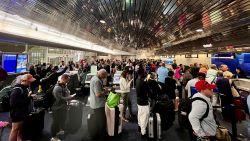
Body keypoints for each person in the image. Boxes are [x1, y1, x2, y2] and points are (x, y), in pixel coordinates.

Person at [9, 74, 36, 141]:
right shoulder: (17, 90)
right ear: (24, 81)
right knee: (15, 130)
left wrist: (30, 97)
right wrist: (28, 97)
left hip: (22, 112)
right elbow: (13, 103)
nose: (30, 83)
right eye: (29, 81)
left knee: (20, 130)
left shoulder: (25, 88)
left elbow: (23, 99)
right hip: (17, 114)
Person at [51, 74, 74, 141]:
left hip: (62, 107)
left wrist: (68, 95)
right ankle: (53, 137)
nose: (68, 82)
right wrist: (69, 97)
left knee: (62, 120)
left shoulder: (63, 85)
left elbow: (67, 92)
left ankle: (59, 132)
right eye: (67, 80)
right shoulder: (57, 88)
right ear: (63, 79)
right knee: (55, 122)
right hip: (56, 108)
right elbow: (60, 99)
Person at [89, 69, 108, 141]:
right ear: (101, 74)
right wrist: (105, 91)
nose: (104, 78)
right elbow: (98, 94)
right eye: (104, 76)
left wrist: (102, 89)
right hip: (98, 105)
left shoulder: (94, 78)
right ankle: (102, 138)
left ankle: (97, 135)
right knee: (102, 122)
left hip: (95, 104)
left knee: (97, 121)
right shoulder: (97, 81)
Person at [136, 68, 150, 140]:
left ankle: (139, 127)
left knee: (140, 114)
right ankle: (143, 133)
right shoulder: (143, 82)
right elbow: (148, 91)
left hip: (139, 101)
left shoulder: (137, 80)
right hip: (144, 102)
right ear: (142, 74)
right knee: (144, 118)